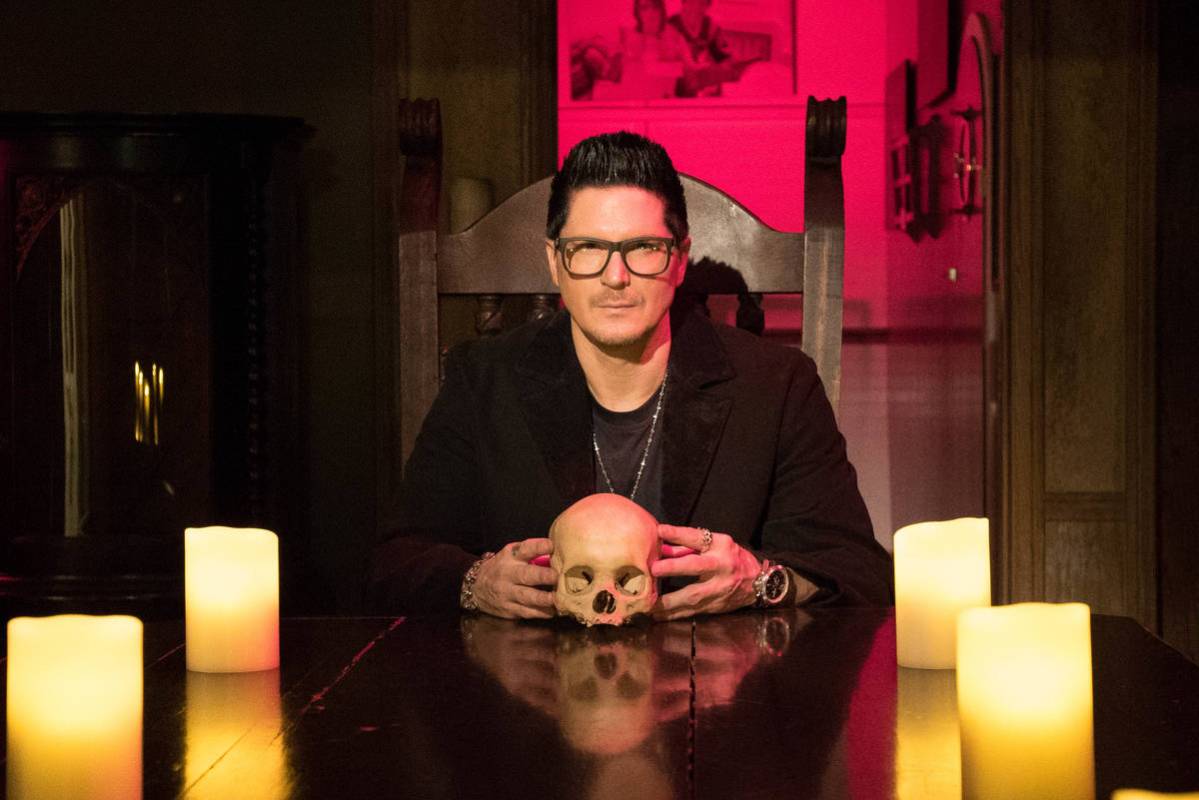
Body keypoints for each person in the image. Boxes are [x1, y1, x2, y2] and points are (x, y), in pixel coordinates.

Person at [367, 131, 893, 619]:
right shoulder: (483, 380)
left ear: (680, 259)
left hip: (716, 680)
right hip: (527, 681)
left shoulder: (776, 387)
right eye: (588, 249)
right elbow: (396, 564)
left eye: (643, 248)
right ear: (554, 262)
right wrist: (475, 583)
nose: (615, 277)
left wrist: (761, 581)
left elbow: (858, 573)